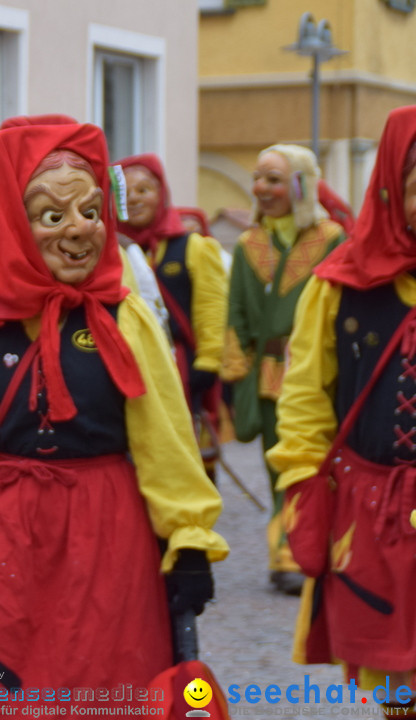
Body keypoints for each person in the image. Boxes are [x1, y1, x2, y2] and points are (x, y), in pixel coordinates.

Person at [0, 119, 228, 717]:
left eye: (92, 211)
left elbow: (164, 439)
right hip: (1, 532)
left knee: (99, 687)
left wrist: (188, 539)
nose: (80, 230)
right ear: (13, 226)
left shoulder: (125, 319)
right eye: (52, 216)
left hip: (106, 533)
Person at [267, 106, 416, 720]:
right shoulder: (339, 287)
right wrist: (303, 489)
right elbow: (304, 404)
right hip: (373, 510)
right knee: (396, 679)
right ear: (392, 187)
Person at [221, 143, 345, 596]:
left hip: (320, 372)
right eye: (258, 177)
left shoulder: (331, 239)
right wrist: (236, 372)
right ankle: (286, 551)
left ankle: (316, 545)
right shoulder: (248, 244)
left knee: (319, 466)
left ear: (300, 184)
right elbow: (234, 312)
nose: (261, 188)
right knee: (280, 469)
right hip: (270, 376)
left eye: (273, 179)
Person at [117, 154, 228, 480]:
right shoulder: (107, 248)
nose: (135, 198)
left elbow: (211, 308)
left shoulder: (194, 247)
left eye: (144, 189)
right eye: (127, 192)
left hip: (179, 363)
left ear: (161, 193)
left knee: (180, 446)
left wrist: (208, 362)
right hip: (127, 363)